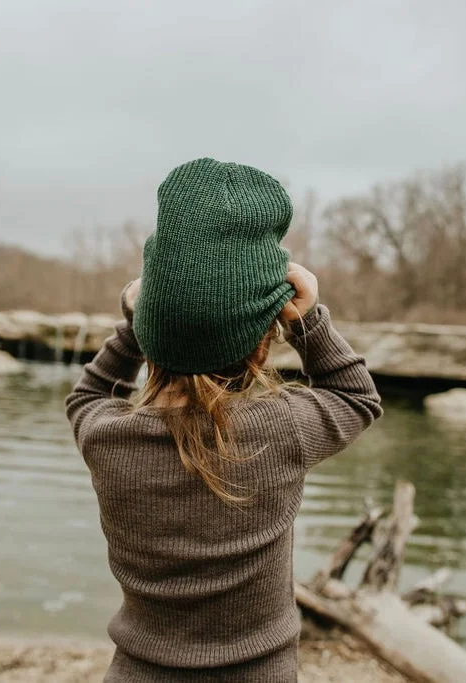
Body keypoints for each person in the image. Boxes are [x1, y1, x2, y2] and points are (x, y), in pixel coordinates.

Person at [65, 158, 383, 682]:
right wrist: (308, 322)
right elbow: (357, 396)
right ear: (262, 344)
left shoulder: (107, 436)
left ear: (150, 333)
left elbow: (87, 393)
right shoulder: (283, 428)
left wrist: (132, 325)